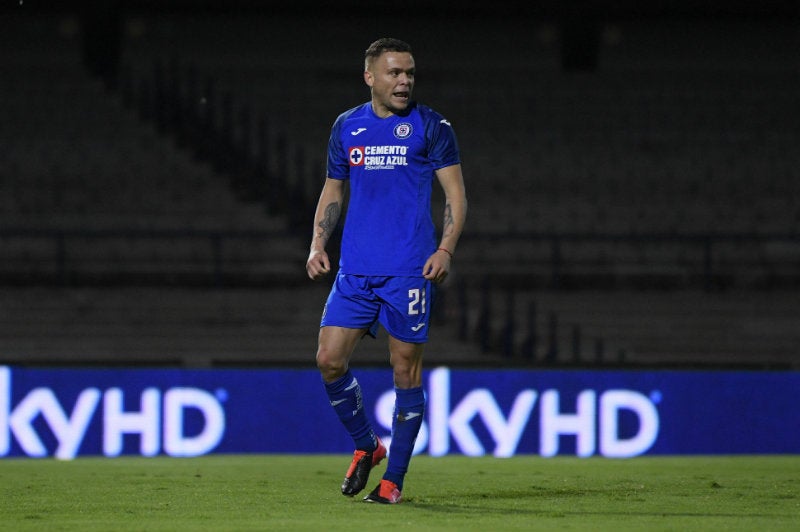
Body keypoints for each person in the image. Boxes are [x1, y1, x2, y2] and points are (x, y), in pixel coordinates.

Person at [305, 37, 467, 504]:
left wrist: (446, 249)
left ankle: (393, 481)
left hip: (408, 271)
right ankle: (366, 445)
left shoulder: (432, 126)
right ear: (370, 77)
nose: (404, 82)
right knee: (329, 360)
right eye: (395, 73)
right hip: (355, 270)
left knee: (405, 372)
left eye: (410, 73)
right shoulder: (346, 126)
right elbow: (333, 190)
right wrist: (318, 242)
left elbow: (456, 196)